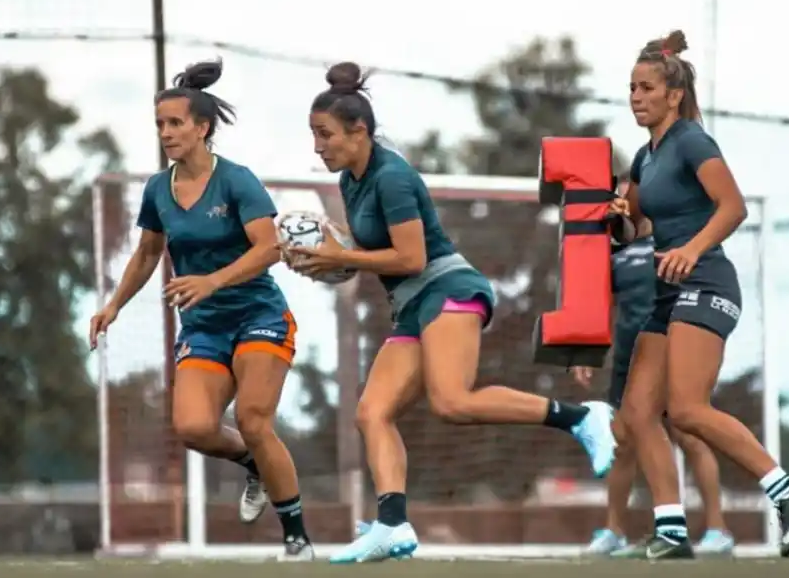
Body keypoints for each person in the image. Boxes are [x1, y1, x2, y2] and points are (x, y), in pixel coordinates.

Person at [285, 61, 617, 564]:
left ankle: (581, 417)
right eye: (313, 134)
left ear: (360, 131)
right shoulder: (353, 179)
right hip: (413, 304)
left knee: (453, 401)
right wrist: (329, 257)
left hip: (449, 289)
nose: (317, 145)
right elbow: (368, 249)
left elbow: (412, 258)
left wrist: (340, 257)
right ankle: (393, 525)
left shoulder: (392, 177)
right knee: (372, 412)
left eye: (324, 134)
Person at [88, 59, 313, 561]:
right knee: (193, 428)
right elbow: (148, 252)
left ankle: (296, 536)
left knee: (254, 419)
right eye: (160, 125)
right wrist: (113, 305)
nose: (166, 134)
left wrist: (212, 280)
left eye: (175, 124)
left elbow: (269, 248)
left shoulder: (237, 181)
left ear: (202, 127)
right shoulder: (157, 190)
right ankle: (254, 464)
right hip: (205, 327)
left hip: (259, 315)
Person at [606, 30, 789, 560]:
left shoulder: (692, 141)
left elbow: (733, 207)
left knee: (687, 410)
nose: (636, 96)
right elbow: (633, 229)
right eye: (631, 87)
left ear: (673, 95)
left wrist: (692, 249)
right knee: (636, 413)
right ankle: (672, 530)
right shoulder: (644, 157)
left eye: (646, 87)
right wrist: (617, 220)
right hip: (667, 292)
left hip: (705, 283)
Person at [577, 174, 733, 557]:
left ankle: (717, 530)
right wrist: (586, 352)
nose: (626, 197)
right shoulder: (616, 252)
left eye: (633, 191)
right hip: (630, 359)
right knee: (622, 441)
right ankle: (614, 530)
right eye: (622, 193)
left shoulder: (677, 242)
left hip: (672, 348)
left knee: (689, 433)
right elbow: (602, 306)